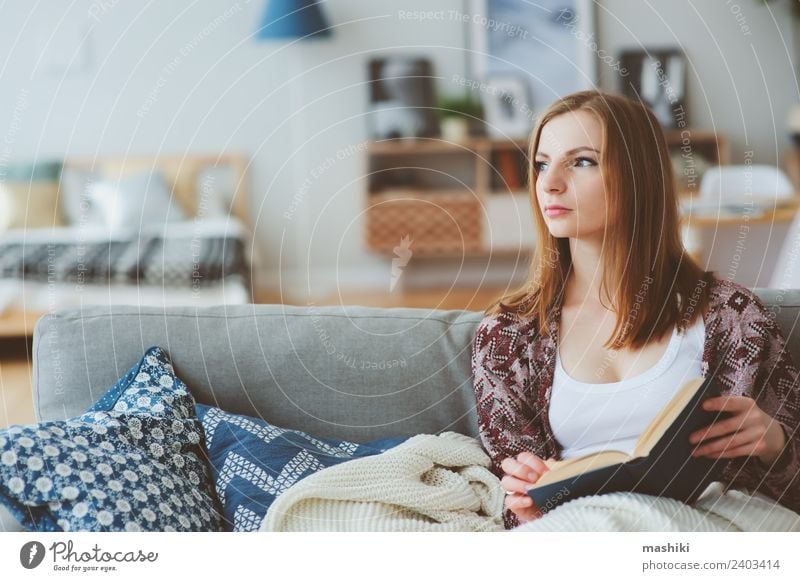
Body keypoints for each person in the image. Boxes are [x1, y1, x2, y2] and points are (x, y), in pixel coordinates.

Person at [471, 90, 800, 530]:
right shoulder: (507, 336)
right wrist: (526, 507)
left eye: (582, 161)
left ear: (638, 175)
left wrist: (776, 444)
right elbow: (513, 499)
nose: (549, 183)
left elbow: (791, 488)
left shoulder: (733, 318)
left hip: (709, 529)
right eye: (542, 163)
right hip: (582, 530)